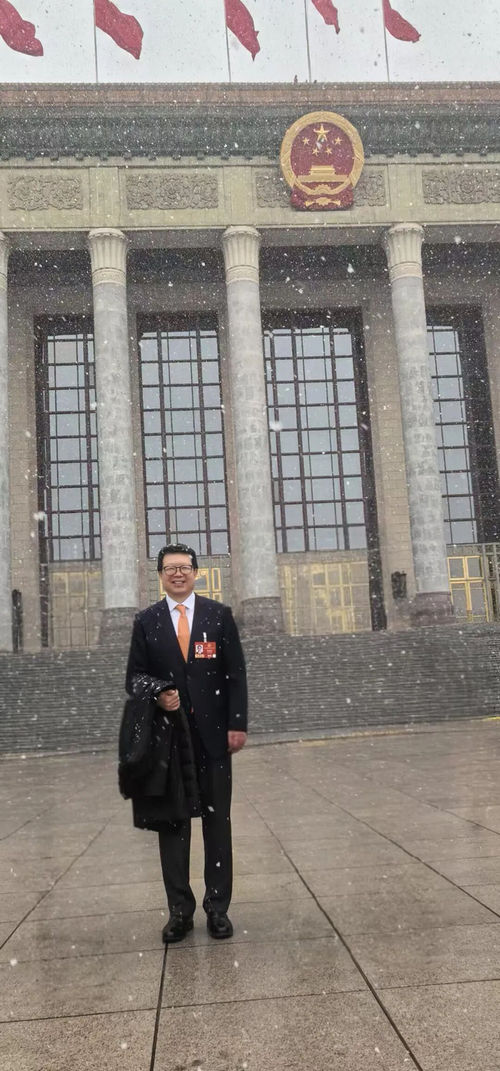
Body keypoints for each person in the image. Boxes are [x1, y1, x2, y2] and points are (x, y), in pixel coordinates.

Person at [125, 543, 248, 943]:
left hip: (213, 739)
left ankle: (218, 908)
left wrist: (237, 724)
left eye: (184, 567)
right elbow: (134, 679)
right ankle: (180, 911)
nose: (177, 574)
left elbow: (235, 675)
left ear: (196, 572)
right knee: (173, 824)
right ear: (160, 575)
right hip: (170, 741)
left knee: (217, 822)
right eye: (169, 568)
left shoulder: (218, 616)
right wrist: (159, 692)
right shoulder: (147, 621)